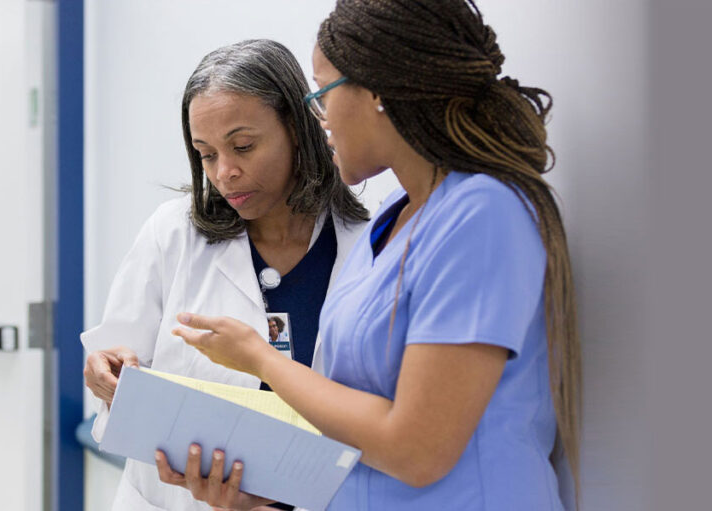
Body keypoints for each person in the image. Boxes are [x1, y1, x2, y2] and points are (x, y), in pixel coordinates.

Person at [160, 1, 582, 510]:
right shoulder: (392, 221)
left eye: (322, 93)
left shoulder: (482, 213)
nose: (320, 118)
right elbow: (354, 435)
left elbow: (416, 451)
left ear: (377, 93)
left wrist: (259, 358)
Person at [80, 39, 370, 511]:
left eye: (243, 146)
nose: (225, 172)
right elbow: (117, 366)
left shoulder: (366, 249)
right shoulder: (172, 234)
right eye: (206, 154)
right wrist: (106, 373)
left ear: (298, 129)